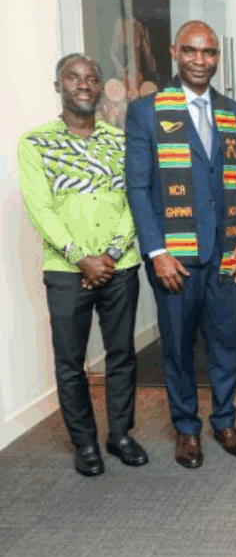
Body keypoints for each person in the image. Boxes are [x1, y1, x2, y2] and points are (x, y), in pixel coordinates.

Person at [125, 21, 236, 469]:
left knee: (226, 342)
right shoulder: (146, 111)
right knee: (178, 348)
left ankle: (225, 421)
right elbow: (138, 188)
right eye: (191, 51)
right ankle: (186, 428)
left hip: (227, 252)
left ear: (218, 57)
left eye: (209, 52)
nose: (201, 60)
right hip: (175, 256)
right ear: (174, 52)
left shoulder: (235, 113)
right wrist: (156, 252)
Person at [18, 54, 145, 477]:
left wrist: (110, 255)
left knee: (122, 354)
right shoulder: (35, 143)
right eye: (73, 78)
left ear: (100, 87)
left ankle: (120, 435)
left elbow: (134, 199)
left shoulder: (121, 141)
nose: (84, 85)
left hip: (120, 267)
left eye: (91, 78)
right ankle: (85, 443)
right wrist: (80, 258)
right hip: (66, 270)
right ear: (59, 86)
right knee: (71, 362)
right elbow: (40, 209)